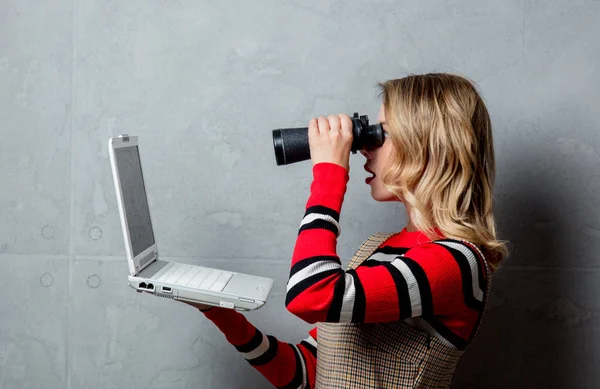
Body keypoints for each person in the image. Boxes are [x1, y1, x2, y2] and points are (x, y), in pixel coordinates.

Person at [180, 73, 508, 388]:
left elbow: (309, 297)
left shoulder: (456, 262)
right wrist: (218, 310)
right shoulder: (378, 248)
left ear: (427, 146)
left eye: (382, 134)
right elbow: (306, 372)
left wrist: (330, 173)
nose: (365, 148)